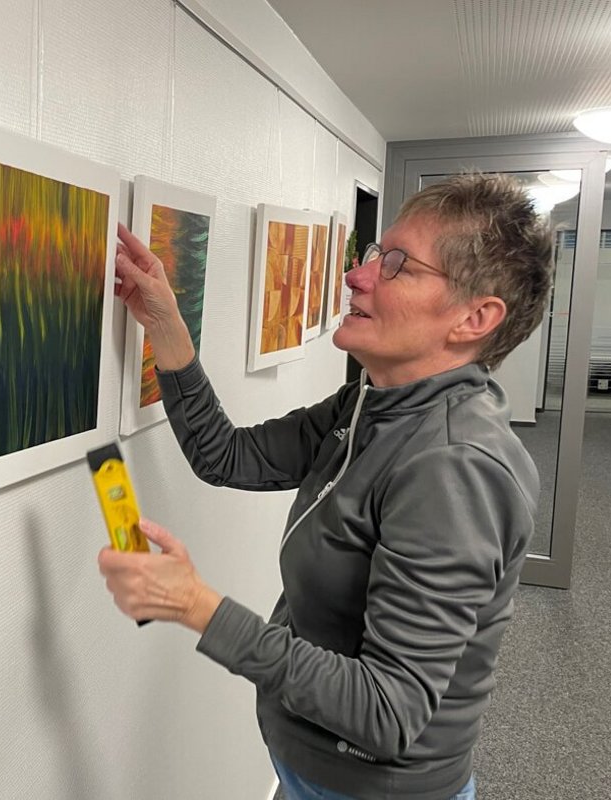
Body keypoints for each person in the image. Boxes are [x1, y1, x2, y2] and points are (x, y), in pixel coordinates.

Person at [97, 172, 552, 800]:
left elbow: (388, 712)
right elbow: (225, 456)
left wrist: (196, 606)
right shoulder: (373, 403)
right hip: (309, 769)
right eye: (375, 254)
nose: (357, 276)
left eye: (398, 265)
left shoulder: (454, 468)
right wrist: (166, 324)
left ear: (475, 317)